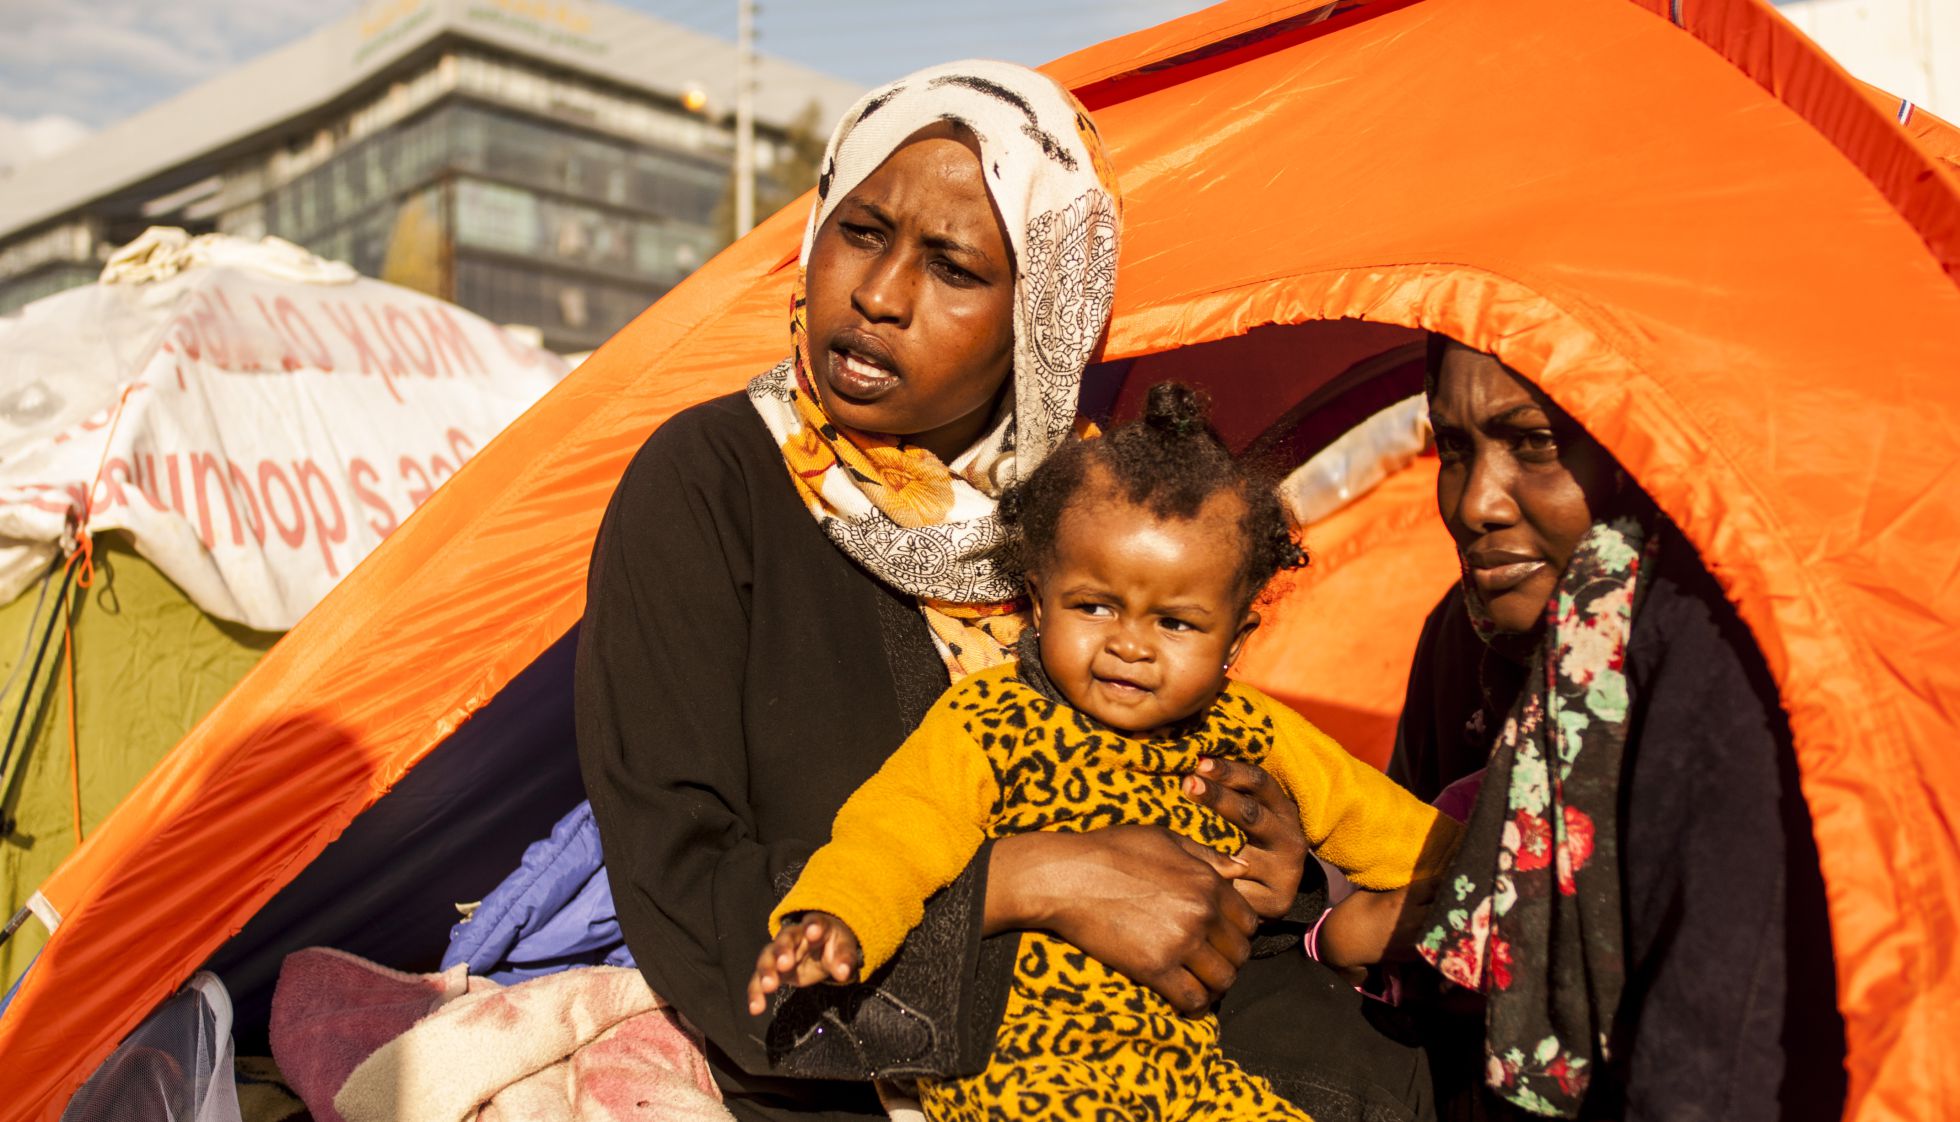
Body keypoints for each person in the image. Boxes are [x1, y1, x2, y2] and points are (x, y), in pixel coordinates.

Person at [577, 60, 1434, 1122]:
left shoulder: (1103, 516)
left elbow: (1181, 834)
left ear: (1043, 317)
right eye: (861, 231)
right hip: (869, 1061)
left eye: (954, 268)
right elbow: (683, 886)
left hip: (1172, 1043)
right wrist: (1033, 878)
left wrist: (1265, 870)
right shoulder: (714, 483)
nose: (880, 296)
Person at [746, 384, 1462, 1121]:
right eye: (1094, 606)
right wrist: (835, 918)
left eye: (1177, 624)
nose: (1129, 644)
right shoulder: (989, 719)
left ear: (1236, 641)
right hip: (1020, 1061)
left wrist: (1499, 877)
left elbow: (1384, 824)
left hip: (1187, 1066)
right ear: (1038, 597)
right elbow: (896, 834)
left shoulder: (1252, 731)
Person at [1389, 337, 1847, 1120]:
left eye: (1535, 443)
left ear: (1643, 451)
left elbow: (1716, 1046)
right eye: (1454, 448)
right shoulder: (1459, 639)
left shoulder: (1724, 649)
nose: (1476, 504)